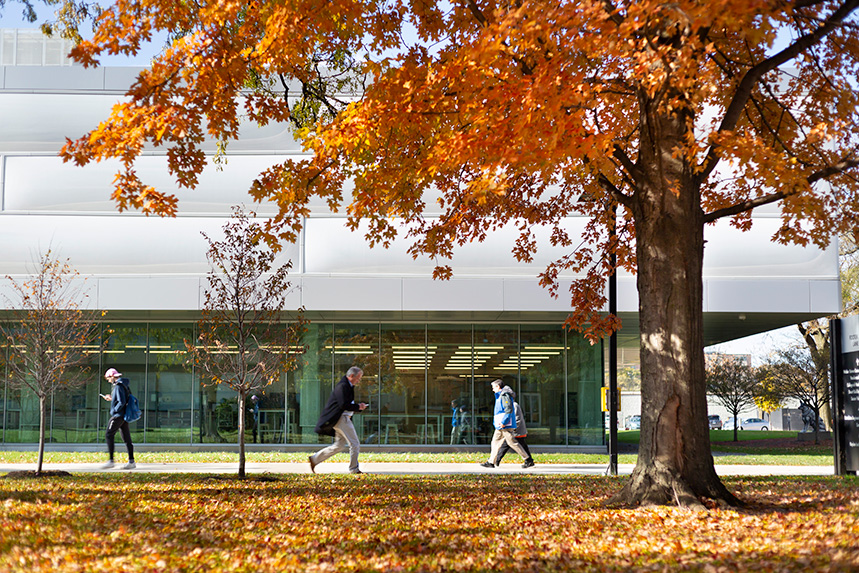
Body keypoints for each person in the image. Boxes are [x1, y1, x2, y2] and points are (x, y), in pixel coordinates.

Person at [309, 366, 368, 474]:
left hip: (341, 418)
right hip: (342, 419)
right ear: (351, 376)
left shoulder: (348, 386)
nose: (359, 380)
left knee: (339, 445)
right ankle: (354, 469)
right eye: (358, 378)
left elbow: (347, 404)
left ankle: (314, 459)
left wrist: (358, 407)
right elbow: (343, 405)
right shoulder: (343, 386)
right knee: (355, 444)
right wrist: (358, 407)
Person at [479, 380, 533, 469]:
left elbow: (508, 409)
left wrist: (504, 422)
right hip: (500, 425)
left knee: (512, 443)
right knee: (495, 442)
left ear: (498, 387)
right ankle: (491, 462)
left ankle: (527, 459)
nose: (492, 389)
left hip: (505, 425)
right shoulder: (500, 396)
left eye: (493, 387)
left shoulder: (504, 395)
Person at [100, 368, 136, 470]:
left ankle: (111, 461)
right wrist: (111, 399)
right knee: (126, 438)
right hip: (123, 415)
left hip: (118, 415)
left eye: (108, 378)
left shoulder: (118, 386)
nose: (108, 380)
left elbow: (121, 402)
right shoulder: (123, 385)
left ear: (112, 376)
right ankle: (131, 461)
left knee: (108, 434)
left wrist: (115, 411)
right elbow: (121, 399)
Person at [494, 388, 535, 468]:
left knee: (515, 445)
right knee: (508, 445)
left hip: (516, 430)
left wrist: (511, 428)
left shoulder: (514, 405)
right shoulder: (512, 405)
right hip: (514, 430)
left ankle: (529, 460)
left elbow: (517, 419)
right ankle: (496, 460)